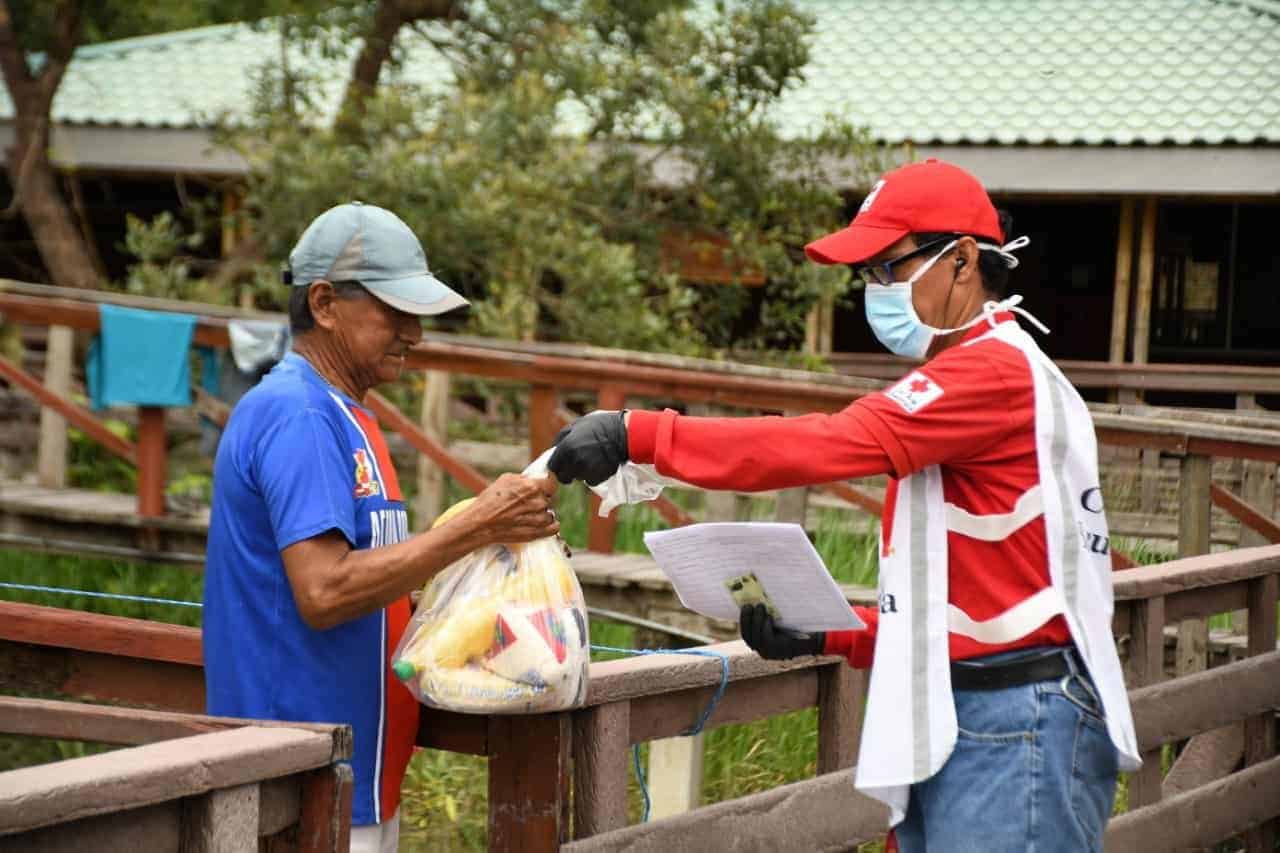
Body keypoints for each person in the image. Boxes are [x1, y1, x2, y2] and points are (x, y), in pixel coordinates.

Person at [547, 160, 1140, 852]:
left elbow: (830, 443)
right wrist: (834, 633)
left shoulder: (992, 371)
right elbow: (974, 600)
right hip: (974, 708)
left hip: (1016, 719)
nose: (875, 290)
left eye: (889, 267)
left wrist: (641, 434)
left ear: (962, 261)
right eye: (869, 274)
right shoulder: (975, 371)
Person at [203, 202, 559, 853]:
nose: (415, 333)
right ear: (325, 302)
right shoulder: (300, 415)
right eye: (395, 312)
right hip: (299, 787)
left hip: (350, 781)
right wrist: (477, 524)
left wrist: (453, 606)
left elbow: (364, 582)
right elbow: (324, 590)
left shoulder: (350, 416)